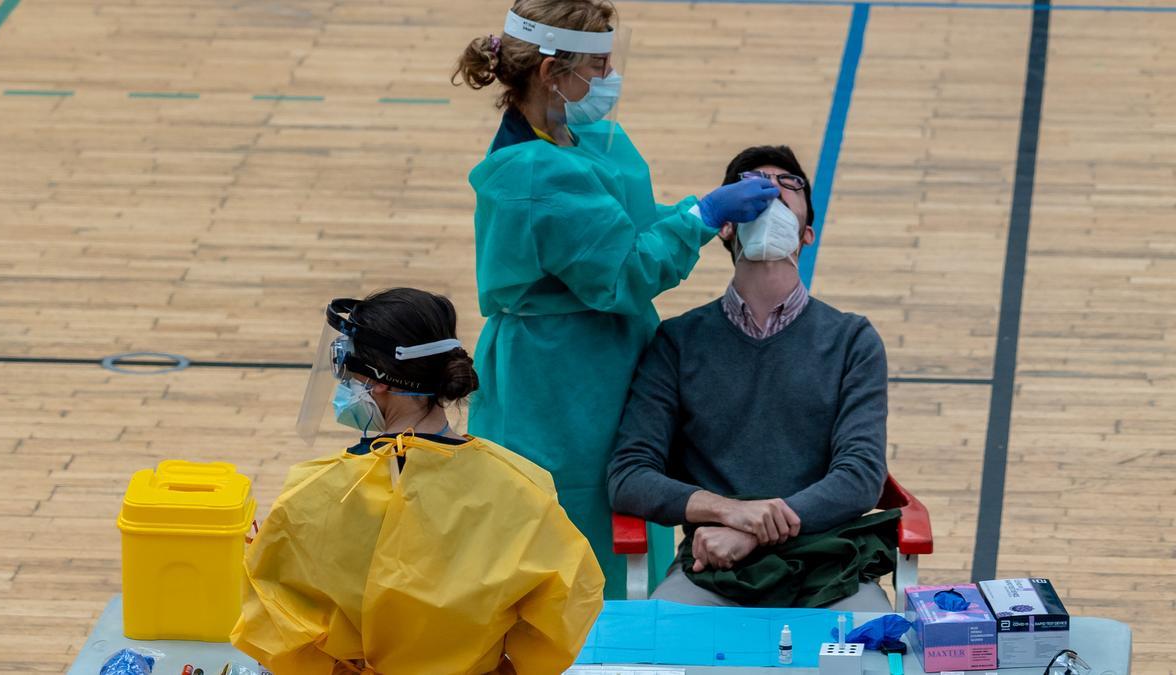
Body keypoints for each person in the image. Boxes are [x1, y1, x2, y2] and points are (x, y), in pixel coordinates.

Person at [452, 0, 781, 599]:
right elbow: (624, 269)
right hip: (558, 382)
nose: (606, 77)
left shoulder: (580, 139)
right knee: (575, 522)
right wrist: (703, 216)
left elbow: (622, 226)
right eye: (596, 65)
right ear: (553, 74)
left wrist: (695, 217)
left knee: (627, 494)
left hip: (607, 360)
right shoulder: (534, 174)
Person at [233, 288, 605, 675]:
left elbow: (272, 625)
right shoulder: (522, 484)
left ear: (376, 381)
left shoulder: (316, 491)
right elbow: (567, 607)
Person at [607, 146, 894, 611]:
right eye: (752, 183)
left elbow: (860, 477)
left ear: (807, 235)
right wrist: (729, 513)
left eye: (787, 185)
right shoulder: (677, 341)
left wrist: (751, 533)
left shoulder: (852, 340)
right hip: (712, 568)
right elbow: (629, 476)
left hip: (830, 570)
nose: (770, 188)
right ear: (725, 225)